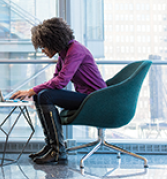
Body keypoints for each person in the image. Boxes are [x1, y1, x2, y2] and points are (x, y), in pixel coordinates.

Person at [11, 17, 107, 165]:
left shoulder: (75, 50)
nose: (42, 50)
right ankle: (51, 147)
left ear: (53, 42)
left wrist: (31, 90)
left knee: (45, 95)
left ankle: (58, 151)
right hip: (87, 97)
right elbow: (56, 79)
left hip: (96, 99)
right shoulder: (64, 54)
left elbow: (61, 81)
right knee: (40, 96)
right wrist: (34, 92)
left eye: (43, 46)